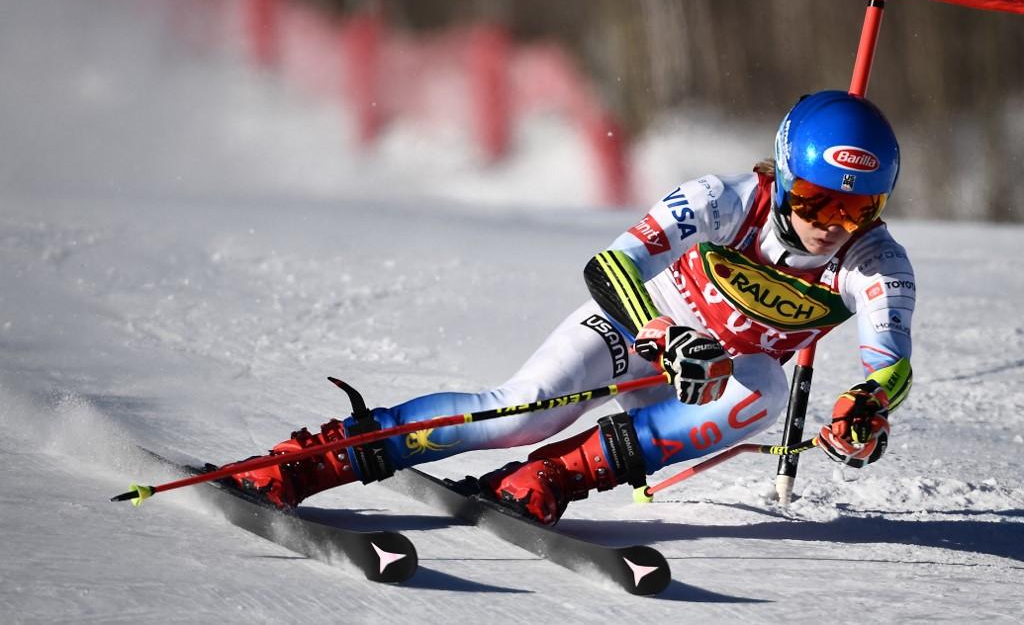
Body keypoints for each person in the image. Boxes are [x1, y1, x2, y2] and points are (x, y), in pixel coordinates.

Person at [226, 90, 915, 525]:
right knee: (524, 411)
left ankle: (550, 477)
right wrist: (661, 331)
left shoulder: (875, 262)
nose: (834, 221)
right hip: (639, 329)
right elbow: (611, 264)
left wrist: (865, 409)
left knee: (763, 388)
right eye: (816, 198)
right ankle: (313, 460)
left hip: (704, 385)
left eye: (859, 206)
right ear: (784, 176)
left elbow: (890, 363)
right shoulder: (724, 199)